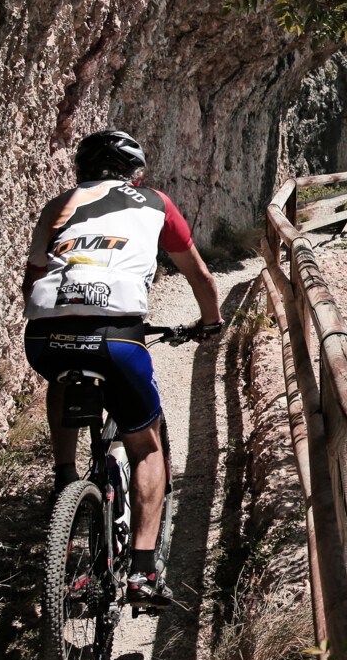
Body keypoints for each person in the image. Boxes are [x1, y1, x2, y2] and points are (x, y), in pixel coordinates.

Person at [21, 130, 222, 607]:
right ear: (136, 172)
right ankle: (144, 573)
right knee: (146, 448)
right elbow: (201, 276)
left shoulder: (59, 205)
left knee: (63, 374)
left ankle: (65, 477)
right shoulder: (154, 203)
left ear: (82, 170)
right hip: (117, 341)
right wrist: (210, 324)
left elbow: (31, 280)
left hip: (45, 339)